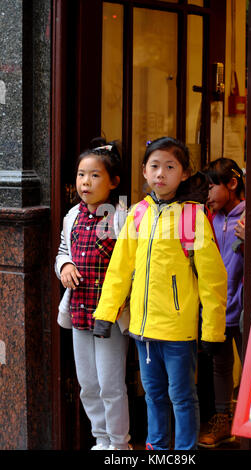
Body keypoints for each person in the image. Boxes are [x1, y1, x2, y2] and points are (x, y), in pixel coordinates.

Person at [93, 137, 227, 450]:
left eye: (170, 167)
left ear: (184, 173)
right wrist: (105, 313)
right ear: (144, 171)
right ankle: (157, 448)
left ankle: (184, 451)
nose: (161, 174)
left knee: (181, 397)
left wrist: (212, 330)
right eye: (154, 166)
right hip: (142, 329)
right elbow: (120, 269)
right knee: (153, 395)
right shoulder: (138, 213)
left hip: (178, 330)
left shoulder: (193, 217)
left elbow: (213, 279)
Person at [55, 138, 131, 450]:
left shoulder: (122, 216)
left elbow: (132, 264)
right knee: (88, 384)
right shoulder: (72, 215)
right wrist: (65, 266)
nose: (86, 182)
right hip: (79, 312)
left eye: (95, 175)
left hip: (109, 314)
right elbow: (62, 251)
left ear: (113, 182)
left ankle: (119, 443)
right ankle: (100, 440)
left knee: (111, 385)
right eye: (81, 175)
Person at [198, 157, 245, 448]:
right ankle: (222, 421)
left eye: (211, 186)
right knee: (220, 365)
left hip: (243, 307)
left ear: (231, 183)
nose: (207, 194)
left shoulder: (248, 216)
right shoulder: (209, 219)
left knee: (250, 363)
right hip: (216, 307)